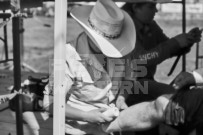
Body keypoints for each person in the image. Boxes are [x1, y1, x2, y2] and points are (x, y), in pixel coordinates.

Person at [11, 0, 203, 135]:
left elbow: (130, 76)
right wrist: (89, 115)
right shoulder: (68, 55)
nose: (155, 10)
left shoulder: (121, 47)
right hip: (76, 130)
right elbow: (50, 103)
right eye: (151, 5)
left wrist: (121, 97)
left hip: (109, 126)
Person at [120, 1, 202, 134]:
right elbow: (137, 60)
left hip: (143, 83)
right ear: (135, 7)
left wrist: (186, 41)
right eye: (151, 6)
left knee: (180, 91)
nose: (156, 11)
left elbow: (167, 47)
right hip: (125, 85)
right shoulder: (123, 26)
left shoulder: (150, 25)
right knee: (175, 96)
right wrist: (175, 43)